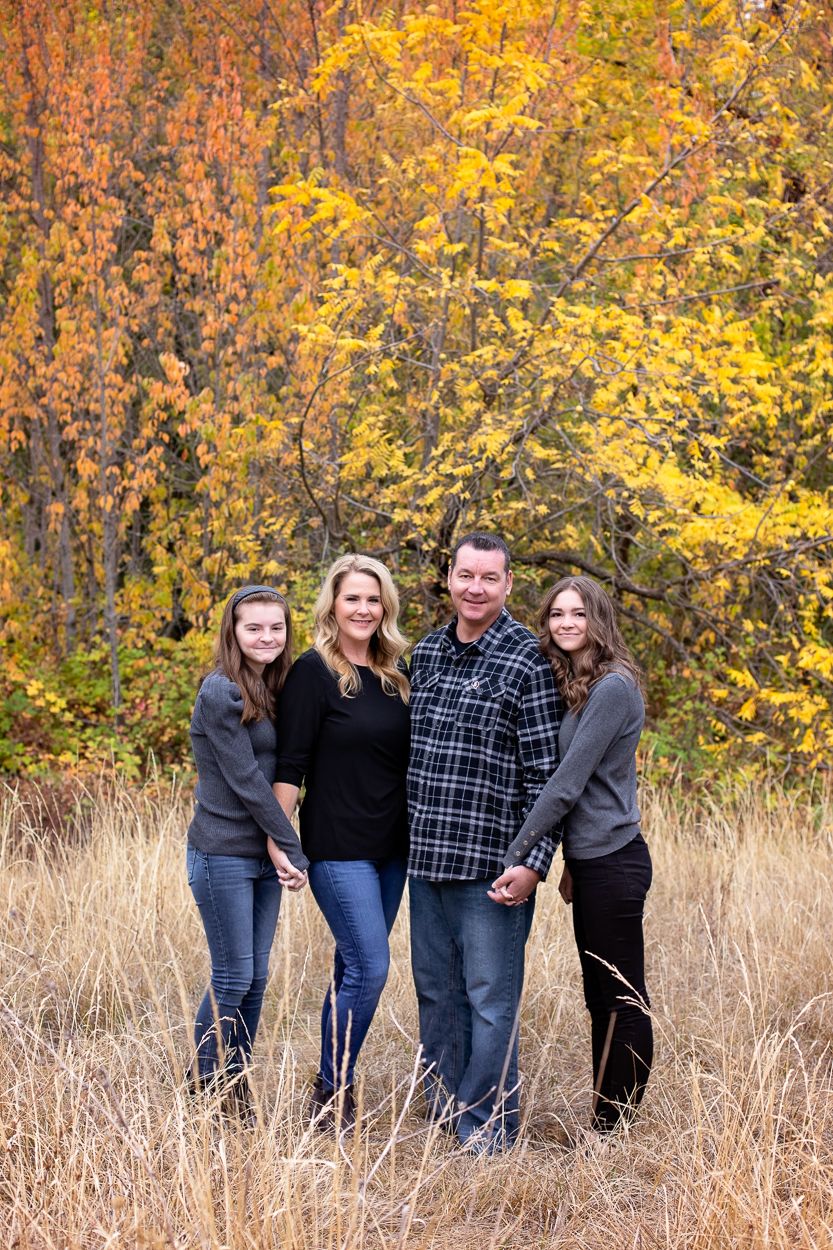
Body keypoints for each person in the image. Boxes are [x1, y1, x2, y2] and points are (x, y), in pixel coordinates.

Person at [407, 532, 562, 1152]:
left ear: (507, 585)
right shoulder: (425, 654)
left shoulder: (527, 659)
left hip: (494, 868)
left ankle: (488, 1130)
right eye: (465, 575)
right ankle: (446, 1114)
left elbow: (547, 777)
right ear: (449, 578)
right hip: (427, 860)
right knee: (435, 993)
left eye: (488, 578)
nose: (475, 588)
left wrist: (533, 863)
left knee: (490, 1002)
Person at [494, 575, 652, 1137]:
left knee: (621, 996)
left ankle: (615, 1129)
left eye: (577, 614)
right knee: (600, 995)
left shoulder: (612, 687)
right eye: (556, 614)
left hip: (615, 860)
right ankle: (606, 1117)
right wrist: (569, 866)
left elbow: (566, 786)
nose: (565, 623)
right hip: (593, 862)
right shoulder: (586, 684)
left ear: (598, 621)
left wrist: (517, 853)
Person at [275, 554, 410, 1131]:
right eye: (353, 597)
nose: (363, 608)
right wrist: (280, 843)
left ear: (387, 608)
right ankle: (332, 1094)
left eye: (374, 599)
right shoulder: (312, 671)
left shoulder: (396, 674)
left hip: (394, 848)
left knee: (350, 966)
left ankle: (330, 1090)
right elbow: (289, 766)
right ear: (333, 603)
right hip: (337, 847)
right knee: (370, 967)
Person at [185, 586, 309, 1112]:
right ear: (232, 632)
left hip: (262, 856)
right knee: (233, 974)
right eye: (253, 627)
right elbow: (247, 781)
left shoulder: (274, 687)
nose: (266, 637)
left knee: (256, 978)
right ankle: (204, 1089)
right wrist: (292, 846)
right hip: (222, 854)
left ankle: (235, 1091)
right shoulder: (221, 690)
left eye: (276, 628)